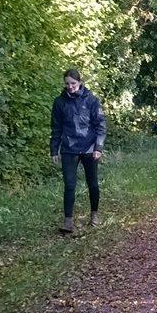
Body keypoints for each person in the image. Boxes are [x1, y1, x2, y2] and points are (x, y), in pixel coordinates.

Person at [49, 68, 107, 233]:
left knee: (93, 183)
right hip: (69, 148)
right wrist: (54, 149)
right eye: (67, 84)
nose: (70, 86)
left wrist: (98, 148)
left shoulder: (92, 101)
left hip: (89, 148)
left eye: (73, 83)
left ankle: (94, 214)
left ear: (80, 82)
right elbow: (56, 128)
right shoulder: (59, 102)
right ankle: (68, 221)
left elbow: (101, 126)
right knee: (69, 185)